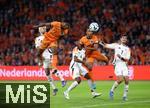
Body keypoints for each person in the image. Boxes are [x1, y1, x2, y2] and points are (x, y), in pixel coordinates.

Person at [35, 26, 66, 95]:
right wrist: (40, 59)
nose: (42, 29)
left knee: (53, 68)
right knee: (47, 73)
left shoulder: (48, 36)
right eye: (41, 28)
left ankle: (62, 79)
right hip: (43, 56)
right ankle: (54, 88)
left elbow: (53, 44)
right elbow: (37, 48)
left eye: (43, 28)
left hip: (49, 54)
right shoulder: (37, 39)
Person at [99, 36, 131, 101]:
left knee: (127, 80)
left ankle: (124, 96)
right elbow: (106, 45)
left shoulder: (128, 49)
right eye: (123, 38)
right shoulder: (116, 45)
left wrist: (121, 57)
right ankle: (111, 91)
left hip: (124, 65)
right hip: (117, 65)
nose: (124, 39)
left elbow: (127, 59)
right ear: (120, 39)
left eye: (125, 38)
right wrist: (100, 42)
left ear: (126, 40)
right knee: (120, 79)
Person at [79, 25, 108, 90]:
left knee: (106, 60)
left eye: (91, 31)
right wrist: (81, 47)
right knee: (89, 67)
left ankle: (110, 65)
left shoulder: (95, 38)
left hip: (95, 53)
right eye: (89, 31)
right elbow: (80, 46)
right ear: (86, 32)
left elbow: (95, 48)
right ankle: (93, 82)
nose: (90, 32)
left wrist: (86, 47)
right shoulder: (82, 39)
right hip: (89, 56)